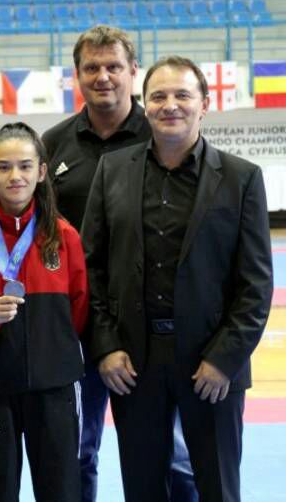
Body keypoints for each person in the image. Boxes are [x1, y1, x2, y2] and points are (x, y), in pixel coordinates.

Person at [82, 56, 273, 502]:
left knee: (218, 489)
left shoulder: (242, 179)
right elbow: (91, 268)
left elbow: (256, 284)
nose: (170, 105)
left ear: (204, 104)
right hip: (133, 363)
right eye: (159, 96)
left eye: (182, 95)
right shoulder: (112, 170)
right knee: (143, 488)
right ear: (144, 104)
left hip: (210, 364)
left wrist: (225, 359)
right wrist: (106, 347)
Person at [42, 24, 196, 502]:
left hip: (150, 327)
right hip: (77, 327)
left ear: (133, 71)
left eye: (114, 66)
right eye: (92, 68)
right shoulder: (54, 144)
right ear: (77, 76)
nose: (103, 76)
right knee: (78, 450)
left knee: (174, 455)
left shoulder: (162, 135)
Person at [0, 122, 88, 502]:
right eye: (4, 166)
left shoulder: (65, 237)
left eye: (25, 166)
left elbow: (77, 314)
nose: (15, 176)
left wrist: (51, 353)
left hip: (55, 388)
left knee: (62, 492)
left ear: (42, 172)